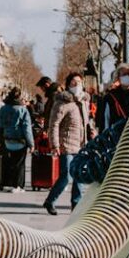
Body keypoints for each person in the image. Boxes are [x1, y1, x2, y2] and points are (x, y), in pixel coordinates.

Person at [43, 72, 95, 215]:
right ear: (68, 85)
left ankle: (76, 204)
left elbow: (86, 122)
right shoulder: (62, 102)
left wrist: (91, 133)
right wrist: (54, 145)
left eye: (79, 82)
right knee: (66, 176)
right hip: (66, 144)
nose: (77, 85)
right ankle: (50, 201)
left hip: (81, 144)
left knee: (79, 175)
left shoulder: (84, 101)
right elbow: (53, 124)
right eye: (73, 82)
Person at [0, 86, 34, 193]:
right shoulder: (22, 110)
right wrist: (31, 144)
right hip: (20, 140)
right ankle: (18, 186)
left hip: (7, 139)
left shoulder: (3, 108)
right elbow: (27, 128)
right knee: (20, 164)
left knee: (10, 162)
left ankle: (8, 183)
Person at [97, 63, 129, 132]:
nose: (127, 77)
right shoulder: (110, 97)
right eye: (124, 75)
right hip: (117, 138)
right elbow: (105, 121)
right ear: (118, 77)